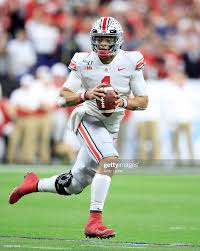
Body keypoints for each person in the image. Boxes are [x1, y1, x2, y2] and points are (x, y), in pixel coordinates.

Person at [8, 17, 148, 239]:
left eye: (107, 39)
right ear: (93, 40)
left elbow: (143, 101)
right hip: (87, 118)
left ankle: (32, 184)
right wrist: (87, 94)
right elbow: (63, 98)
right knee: (109, 159)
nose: (102, 44)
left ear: (117, 40)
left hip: (111, 127)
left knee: (73, 184)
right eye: (99, 39)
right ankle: (94, 222)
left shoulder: (131, 61)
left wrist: (122, 101)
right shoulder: (83, 61)